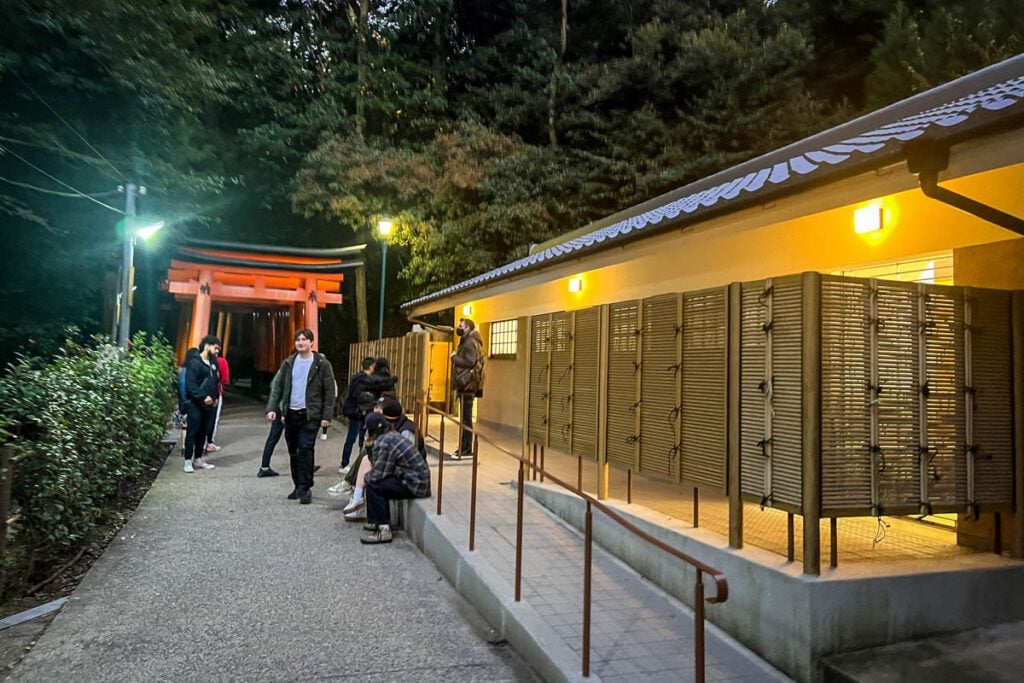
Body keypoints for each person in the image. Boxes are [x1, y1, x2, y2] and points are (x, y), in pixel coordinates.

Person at [266, 328, 336, 504]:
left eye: (305, 339)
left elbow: (329, 391)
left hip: (310, 414)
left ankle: (305, 488)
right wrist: (273, 408)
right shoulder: (289, 363)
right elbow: (278, 388)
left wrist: (327, 416)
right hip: (291, 413)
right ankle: (298, 485)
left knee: (305, 448)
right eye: (298, 339)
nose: (301, 342)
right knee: (293, 451)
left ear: (312, 343)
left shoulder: (321, 364)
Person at [359, 412, 431, 545]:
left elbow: (379, 474)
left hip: (414, 484)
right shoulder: (391, 435)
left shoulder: (384, 442)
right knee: (375, 483)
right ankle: (377, 522)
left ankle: (383, 529)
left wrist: (365, 477)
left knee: (374, 485)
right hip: (417, 480)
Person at [182, 336, 220, 473]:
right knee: (192, 432)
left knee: (203, 432)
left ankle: (198, 458)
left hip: (210, 405)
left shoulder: (213, 363)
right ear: (207, 346)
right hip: (196, 404)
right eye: (215, 348)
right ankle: (187, 460)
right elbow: (191, 385)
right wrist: (202, 397)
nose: (217, 351)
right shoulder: (194, 363)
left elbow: (215, 381)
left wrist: (215, 397)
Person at [450, 317, 484, 460]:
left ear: (468, 328)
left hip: (467, 385)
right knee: (465, 418)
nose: (459, 327)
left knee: (466, 418)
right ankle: (464, 447)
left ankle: (466, 448)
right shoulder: (469, 341)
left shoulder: (470, 343)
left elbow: (470, 362)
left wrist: (454, 357)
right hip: (468, 384)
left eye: (461, 325)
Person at [339, 357, 375, 472]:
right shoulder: (365, 380)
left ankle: (346, 462)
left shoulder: (356, 377)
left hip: (353, 411)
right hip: (360, 412)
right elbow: (362, 397)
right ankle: (347, 463)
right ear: (371, 367)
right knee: (357, 437)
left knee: (352, 437)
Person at [206, 346, 230, 452]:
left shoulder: (200, 361)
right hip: (215, 393)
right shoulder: (221, 361)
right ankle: (209, 442)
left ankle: (199, 443)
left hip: (200, 394)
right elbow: (225, 378)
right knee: (213, 419)